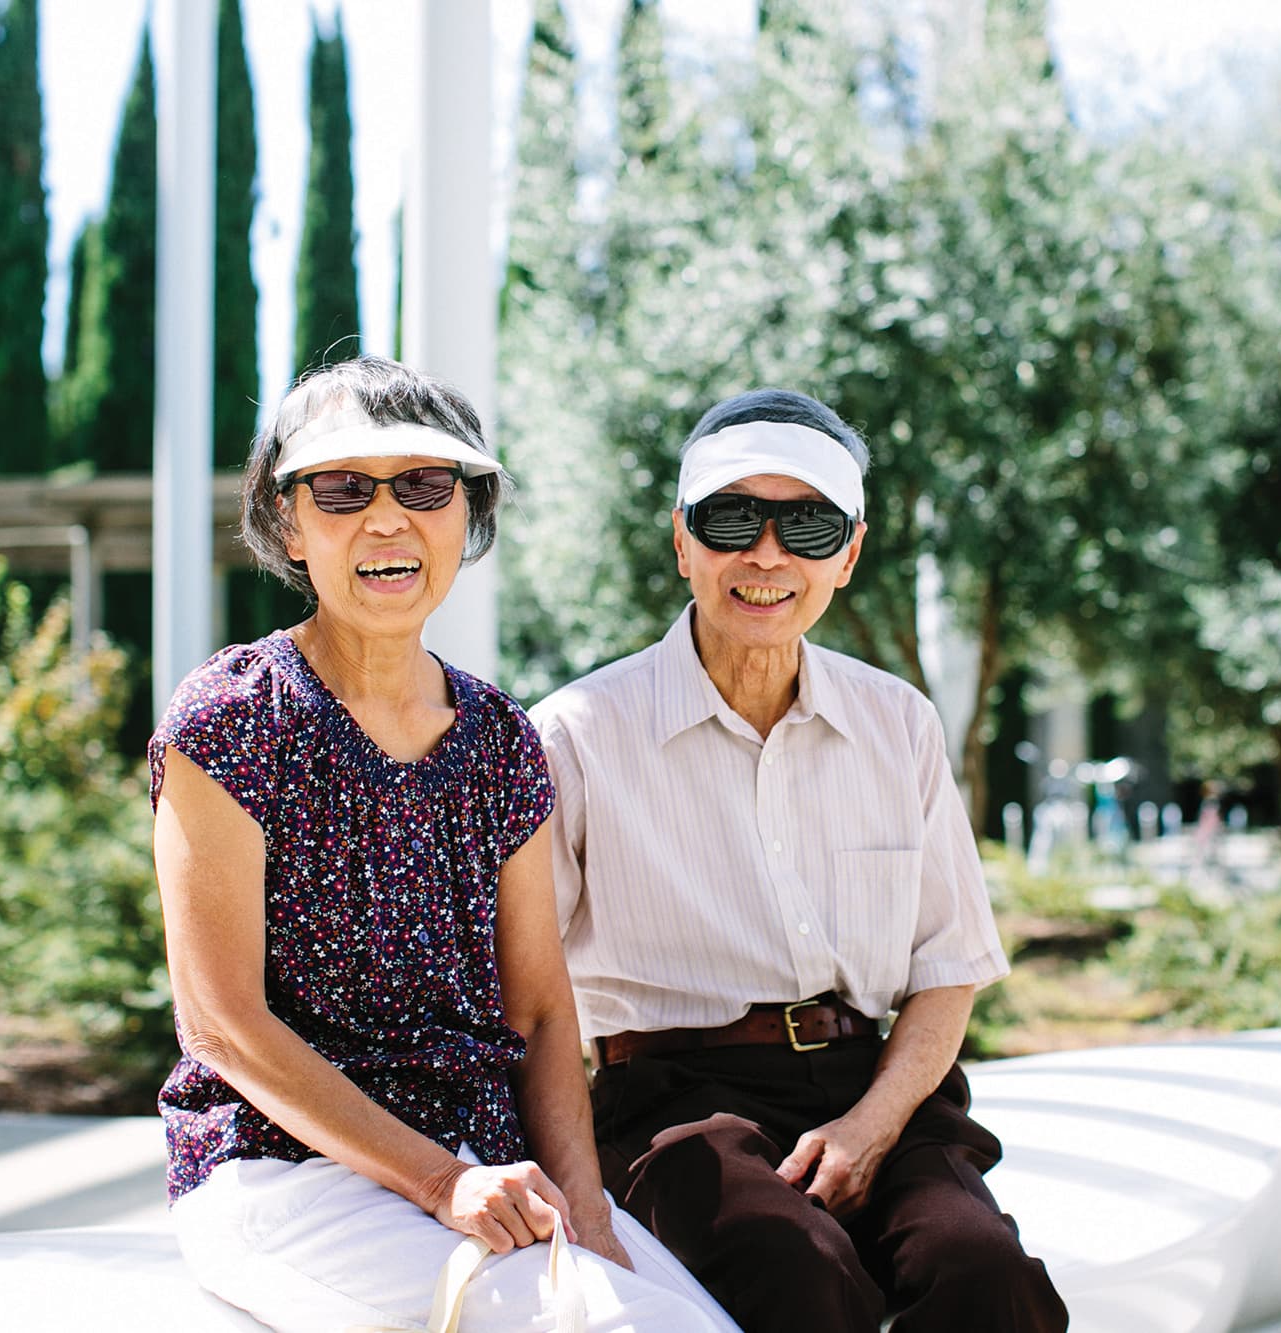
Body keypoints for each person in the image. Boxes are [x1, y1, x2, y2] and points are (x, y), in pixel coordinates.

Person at [150, 356, 736, 1333]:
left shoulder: (500, 737)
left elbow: (544, 1011)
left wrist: (585, 1207)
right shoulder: (232, 716)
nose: (387, 519)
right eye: (341, 488)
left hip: (485, 1165)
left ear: (466, 513)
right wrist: (439, 1182)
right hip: (282, 1173)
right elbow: (221, 1025)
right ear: (289, 524)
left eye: (424, 484)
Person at [532, 389, 1070, 1333]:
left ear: (850, 553)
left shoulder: (898, 722)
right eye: (734, 518)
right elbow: (526, 995)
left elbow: (947, 971)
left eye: (808, 525)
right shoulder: (577, 735)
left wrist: (870, 1127)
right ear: (683, 541)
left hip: (880, 1088)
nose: (768, 554)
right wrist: (571, 1188)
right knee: (802, 1275)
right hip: (676, 1107)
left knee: (985, 1277)